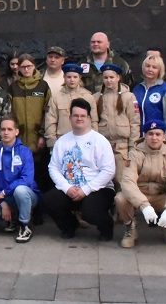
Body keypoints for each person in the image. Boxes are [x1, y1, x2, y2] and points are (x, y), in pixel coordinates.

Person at [45, 98, 116, 240]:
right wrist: (66, 188)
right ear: (70, 117)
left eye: (83, 116)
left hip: (98, 188)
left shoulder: (100, 141)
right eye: (76, 115)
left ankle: (107, 228)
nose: (79, 118)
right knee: (49, 200)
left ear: (89, 118)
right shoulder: (62, 141)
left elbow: (108, 171)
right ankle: (70, 226)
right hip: (70, 188)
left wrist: (86, 190)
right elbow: (53, 167)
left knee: (90, 211)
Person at [115, 120, 166, 247]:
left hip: (160, 195)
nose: (154, 137)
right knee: (120, 199)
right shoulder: (134, 154)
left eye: (158, 134)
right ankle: (130, 228)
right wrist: (144, 205)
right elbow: (128, 182)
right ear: (145, 136)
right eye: (150, 134)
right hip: (139, 194)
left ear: (164, 136)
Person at [0, 118, 40, 243]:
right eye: (3, 129)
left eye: (9, 129)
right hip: (4, 198)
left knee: (20, 190)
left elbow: (26, 179)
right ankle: (10, 221)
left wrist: (4, 192)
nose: (6, 132)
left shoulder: (25, 152)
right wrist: (3, 203)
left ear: (16, 132)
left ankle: (25, 225)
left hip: (27, 196)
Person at [10, 53, 51, 190]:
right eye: (23, 67)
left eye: (29, 66)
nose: (26, 69)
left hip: (37, 140)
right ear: (19, 69)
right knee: (19, 173)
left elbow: (48, 112)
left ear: (34, 67)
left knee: (38, 173)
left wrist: (42, 134)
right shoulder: (13, 87)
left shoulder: (43, 86)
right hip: (19, 139)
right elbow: (9, 113)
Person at [94, 64, 140, 186]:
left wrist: (132, 148)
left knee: (122, 180)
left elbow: (135, 123)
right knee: (103, 181)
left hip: (122, 147)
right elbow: (93, 121)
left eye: (112, 77)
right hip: (104, 146)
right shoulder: (96, 97)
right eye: (106, 78)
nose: (109, 80)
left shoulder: (129, 97)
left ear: (118, 77)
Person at [44, 63, 95, 149]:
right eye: (69, 77)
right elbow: (50, 121)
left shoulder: (88, 97)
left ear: (80, 78)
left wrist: (93, 141)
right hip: (62, 141)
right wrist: (52, 143)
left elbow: (93, 121)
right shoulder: (56, 97)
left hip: (84, 142)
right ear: (64, 78)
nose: (72, 80)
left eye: (75, 77)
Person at [132, 54, 166, 137]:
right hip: (138, 136)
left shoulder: (165, 89)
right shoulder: (137, 89)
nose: (150, 69)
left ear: (159, 70)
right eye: (148, 66)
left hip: (156, 137)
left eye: (154, 67)